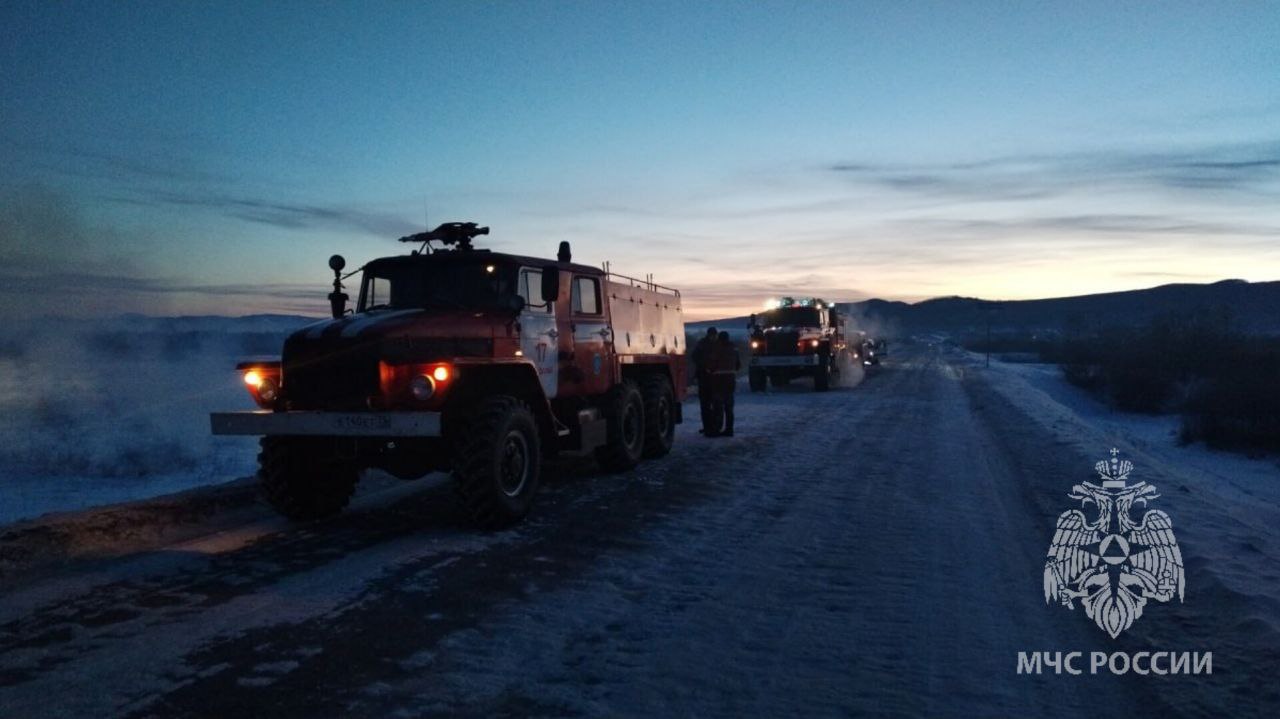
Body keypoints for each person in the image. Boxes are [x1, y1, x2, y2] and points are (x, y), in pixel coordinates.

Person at [710, 330, 740, 437]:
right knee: (729, 406)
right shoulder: (734, 348)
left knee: (718, 405)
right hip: (730, 378)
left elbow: (712, 363)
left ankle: (717, 429)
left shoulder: (717, 348)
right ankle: (729, 429)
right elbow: (738, 364)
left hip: (718, 379)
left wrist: (710, 371)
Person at [692, 327, 718, 434]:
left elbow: (694, 356)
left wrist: (702, 366)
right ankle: (711, 427)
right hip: (710, 377)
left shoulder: (701, 344)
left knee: (706, 404)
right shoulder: (717, 344)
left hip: (705, 376)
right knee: (710, 404)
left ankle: (709, 427)